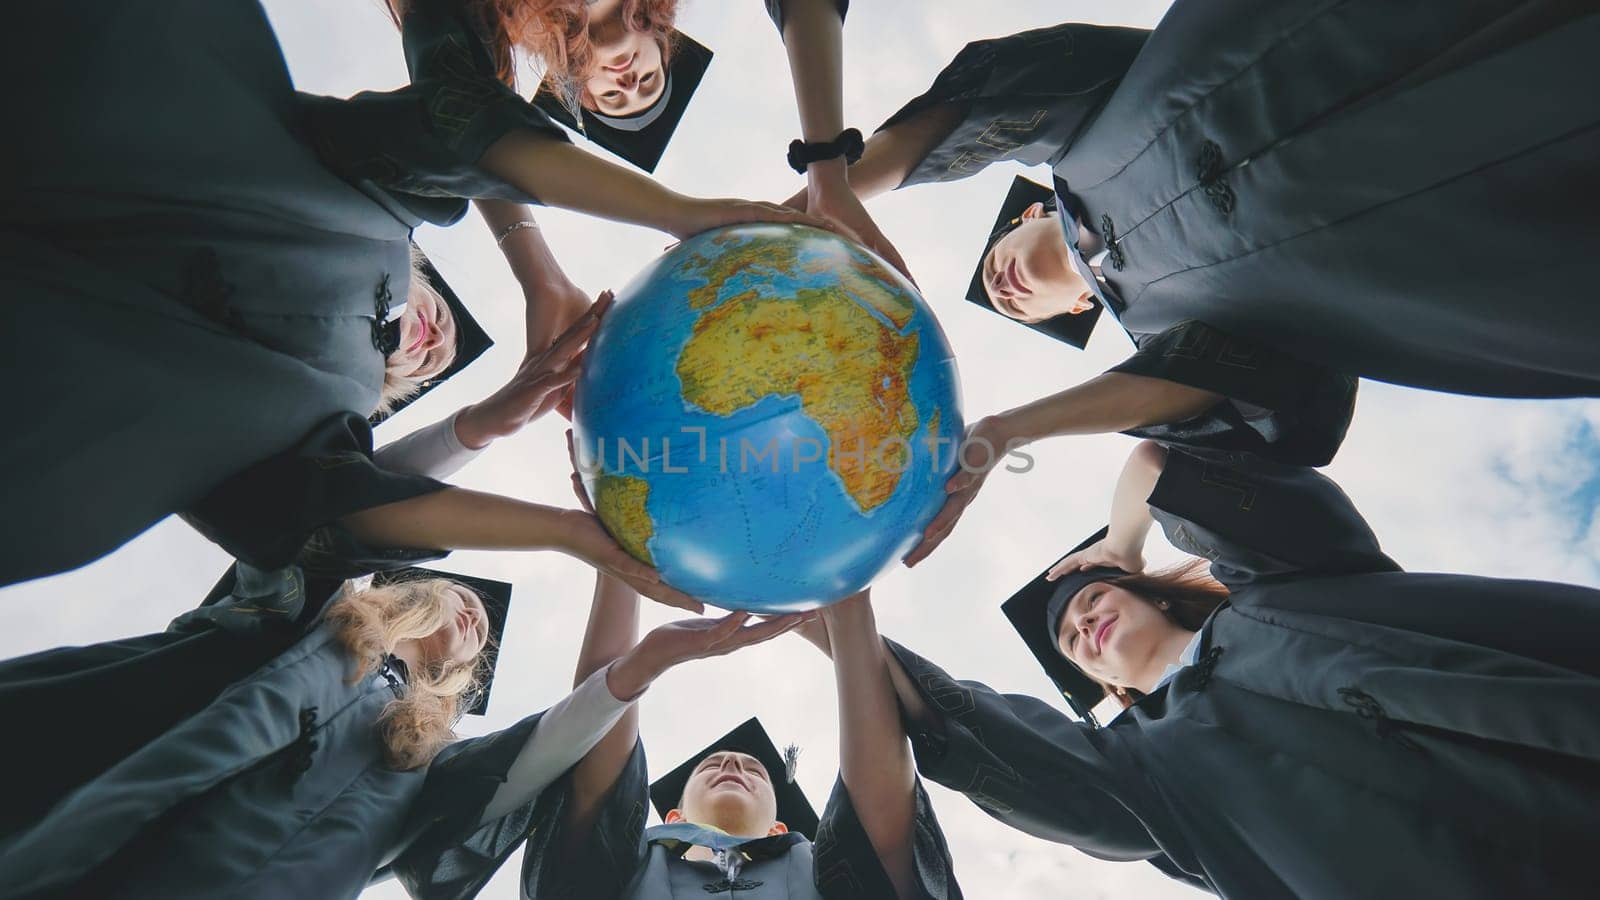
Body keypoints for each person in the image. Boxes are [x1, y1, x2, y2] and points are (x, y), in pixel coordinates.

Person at [2, 0, 828, 589]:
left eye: (627, 96)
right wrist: (662, 218)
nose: (626, 82)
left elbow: (311, 516)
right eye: (633, 85)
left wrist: (565, 527)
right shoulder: (366, 204)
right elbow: (455, 123)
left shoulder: (333, 388)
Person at [798, 4, 1600, 563]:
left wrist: (825, 196)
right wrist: (1007, 430)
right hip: (1480, 234)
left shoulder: (1085, 130)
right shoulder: (1170, 341)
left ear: (1026, 210)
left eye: (997, 263)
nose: (1005, 285)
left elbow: (1017, 81)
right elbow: (1265, 405)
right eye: (1017, 302)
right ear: (1081, 307)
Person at [872, 441, 1600, 897]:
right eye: (1070, 640)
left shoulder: (1276, 588)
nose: (1084, 623)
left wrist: (1121, 542)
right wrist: (841, 623)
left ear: (1145, 588)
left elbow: (1160, 461)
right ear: (1105, 686)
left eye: (1093, 598)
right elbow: (975, 731)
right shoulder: (1146, 766)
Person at [0, 559, 804, 898]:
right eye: (460, 597)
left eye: (483, 634)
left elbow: (537, 755)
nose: (472, 618)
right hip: (79, 828)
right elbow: (294, 526)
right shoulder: (303, 614)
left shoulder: (417, 756)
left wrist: (642, 666)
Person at [516, 578, 961, 898]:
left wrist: (848, 602)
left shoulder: (822, 873)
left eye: (753, 769)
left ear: (779, 829)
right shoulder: (622, 870)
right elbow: (596, 769)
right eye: (713, 765)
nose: (732, 764)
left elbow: (883, 819)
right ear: (672, 819)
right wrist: (620, 571)